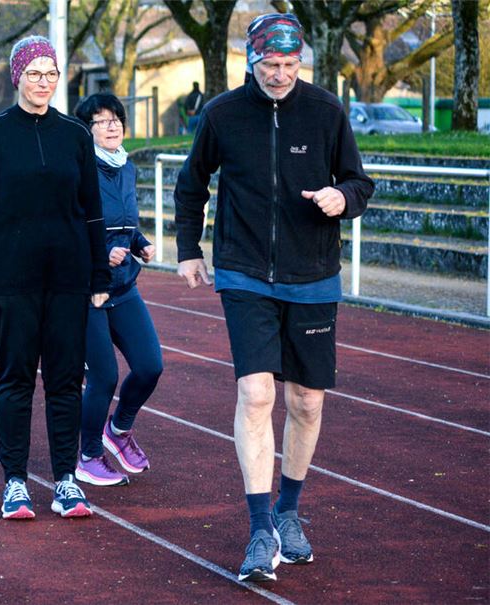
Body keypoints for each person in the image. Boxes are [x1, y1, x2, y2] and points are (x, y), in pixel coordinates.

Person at [173, 14, 374, 583]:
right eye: (271, 65)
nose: (282, 75)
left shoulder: (327, 111)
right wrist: (189, 249)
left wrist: (343, 197)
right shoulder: (222, 114)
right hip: (244, 273)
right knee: (257, 393)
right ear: (251, 60)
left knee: (306, 401)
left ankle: (289, 511)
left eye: (291, 65)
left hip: (313, 273)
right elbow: (192, 185)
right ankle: (260, 526)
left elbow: (360, 182)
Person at [0, 36, 110, 520]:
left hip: (69, 278)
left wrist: (99, 272)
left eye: (50, 72)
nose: (43, 81)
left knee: (66, 381)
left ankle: (66, 480)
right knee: (17, 378)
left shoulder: (75, 135)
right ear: (16, 76)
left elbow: (92, 211)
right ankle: (15, 482)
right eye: (34, 72)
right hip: (10, 278)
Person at [70, 93, 164, 487]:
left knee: (149, 366)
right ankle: (88, 455)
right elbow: (70, 224)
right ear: (86, 130)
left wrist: (138, 241)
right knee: (104, 377)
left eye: (116, 119)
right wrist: (100, 253)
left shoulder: (125, 166)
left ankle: (119, 429)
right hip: (88, 287)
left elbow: (124, 219)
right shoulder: (77, 168)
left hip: (124, 284)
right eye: (102, 121)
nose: (112, 126)